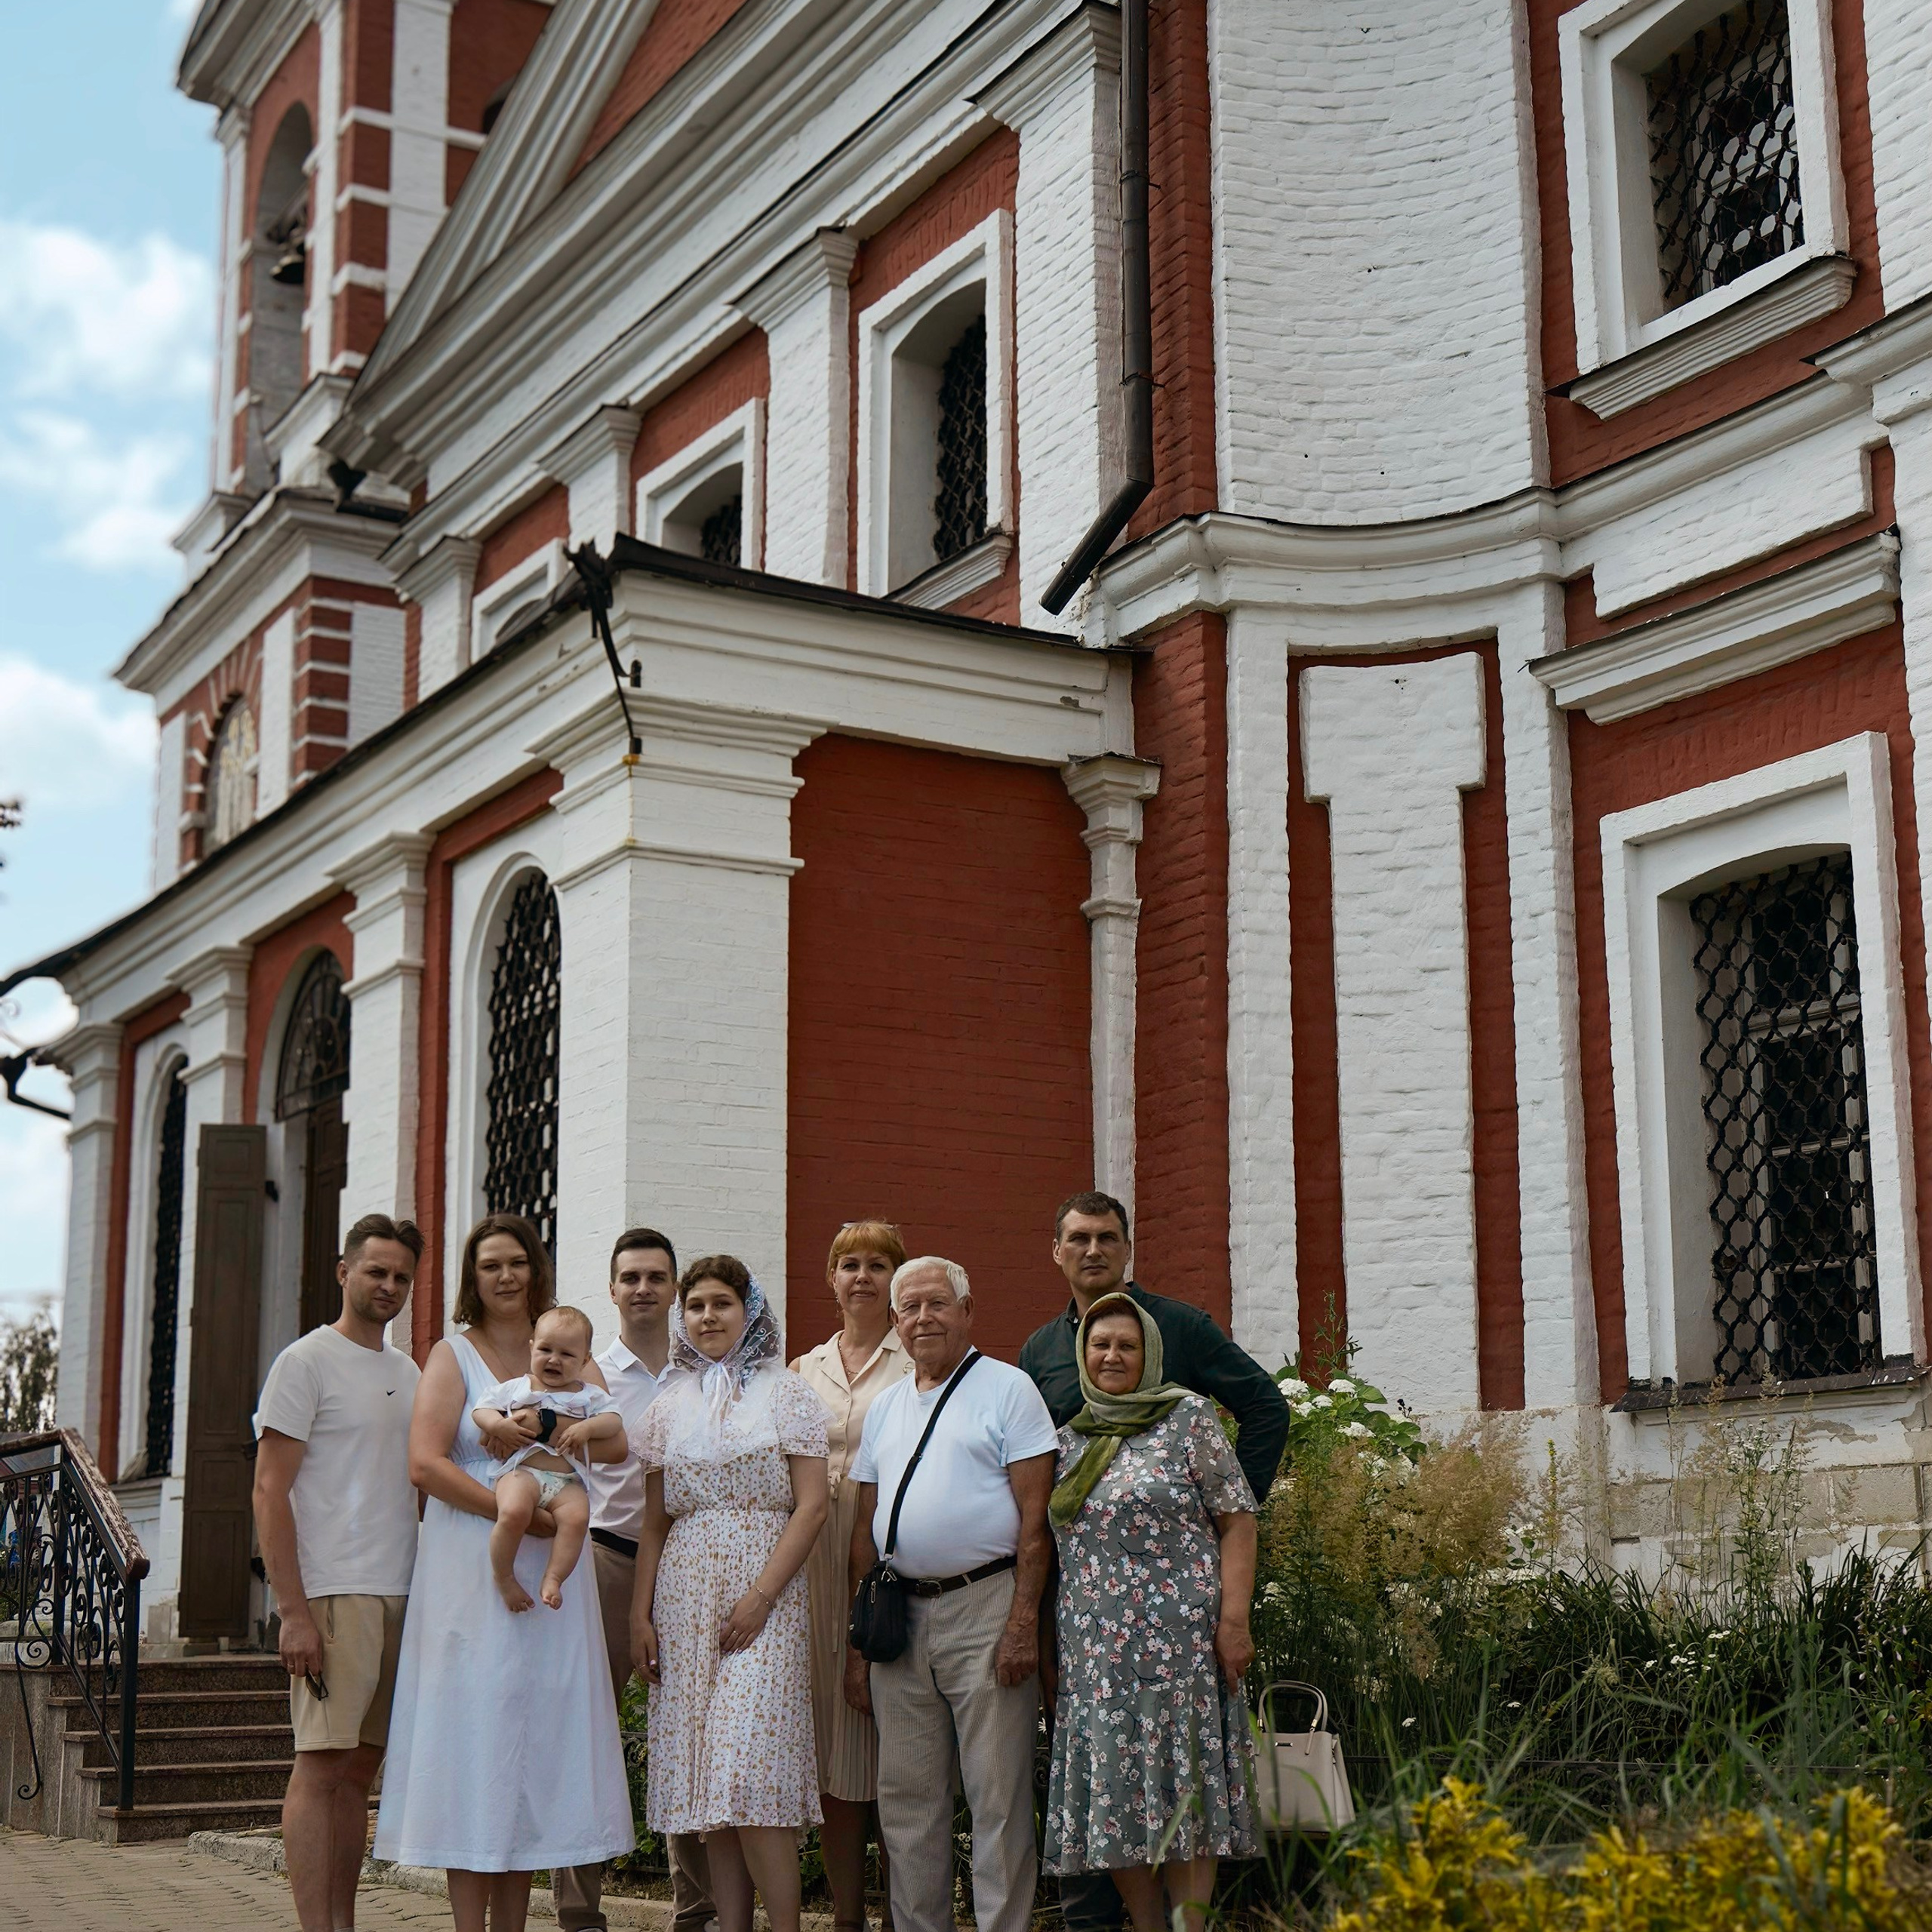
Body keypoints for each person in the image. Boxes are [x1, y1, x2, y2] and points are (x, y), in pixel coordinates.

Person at [1020, 1191, 1286, 1932]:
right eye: (1078, 1238)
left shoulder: (1187, 1411)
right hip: (1093, 1643)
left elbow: (1246, 1476)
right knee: (1113, 1792)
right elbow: (1031, 1515)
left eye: (1108, 1237)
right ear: (1057, 1249)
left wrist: (1222, 1566)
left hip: (1182, 1642)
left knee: (1184, 1790)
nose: (1093, 1249)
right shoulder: (1061, 1418)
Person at [374, 1214, 635, 1932]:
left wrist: (573, 1446)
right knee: (474, 1730)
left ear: (536, 1268)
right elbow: (425, 1463)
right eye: (491, 1265)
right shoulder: (451, 1354)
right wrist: (512, 1512)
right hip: (472, 1557)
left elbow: (613, 1450)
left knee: (532, 1735)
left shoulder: (568, 1349)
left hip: (554, 1567)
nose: (507, 1276)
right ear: (472, 1276)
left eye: (518, 1261)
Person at [845, 1257, 1058, 1932]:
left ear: (968, 1311)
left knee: (996, 1796)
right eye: (908, 1308)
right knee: (906, 1799)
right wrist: (858, 1647)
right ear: (895, 1322)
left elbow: (1036, 1523)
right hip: (900, 1618)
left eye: (937, 1304)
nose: (922, 1318)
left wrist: (1023, 1623)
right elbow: (864, 1530)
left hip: (986, 1608)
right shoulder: (885, 1407)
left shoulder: (1009, 1389)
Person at [632, 1256, 830, 1932]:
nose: (709, 1317)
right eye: (696, 1307)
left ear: (749, 1311)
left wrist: (763, 1596)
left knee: (748, 1771)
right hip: (684, 1597)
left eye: (722, 1303)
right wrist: (640, 1613)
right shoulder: (667, 1407)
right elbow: (654, 1522)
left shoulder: (789, 1392)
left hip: (764, 1594)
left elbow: (811, 1507)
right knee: (706, 1786)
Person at [254, 1213, 424, 1932]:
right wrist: (291, 1610)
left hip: (404, 1589)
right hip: (332, 1593)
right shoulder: (305, 1362)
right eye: (376, 1271)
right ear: (342, 1271)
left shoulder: (409, 1371)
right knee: (321, 1768)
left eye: (401, 1277)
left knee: (360, 1774)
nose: (388, 1285)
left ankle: (343, 1923)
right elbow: (269, 1489)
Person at [555, 1229, 716, 1932]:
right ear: (613, 1288)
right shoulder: (588, 1373)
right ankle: (577, 1907)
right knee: (588, 1729)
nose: (644, 1288)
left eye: (657, 1277)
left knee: (688, 1729)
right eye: (631, 1278)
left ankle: (698, 1905)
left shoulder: (706, 1368)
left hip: (692, 1564)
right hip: (607, 1560)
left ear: (674, 1287)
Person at [791, 1221, 913, 1932]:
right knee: (834, 1751)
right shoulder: (804, 1368)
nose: (862, 1277)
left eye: (876, 1265)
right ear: (831, 1279)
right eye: (849, 1265)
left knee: (891, 1751)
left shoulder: (915, 1361)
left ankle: (904, 1909)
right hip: (813, 1567)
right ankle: (845, 1915)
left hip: (884, 1562)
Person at [474, 1304, 626, 1611]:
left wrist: (588, 1427)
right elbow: (482, 1409)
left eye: (567, 1355)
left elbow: (614, 1421)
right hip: (522, 1472)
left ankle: (554, 1577)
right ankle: (504, 1576)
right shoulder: (519, 1387)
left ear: (585, 1360)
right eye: (545, 1349)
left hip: (566, 1480)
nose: (554, 1359)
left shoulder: (589, 1396)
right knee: (514, 1511)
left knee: (578, 1518)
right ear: (531, 1348)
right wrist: (498, 1425)